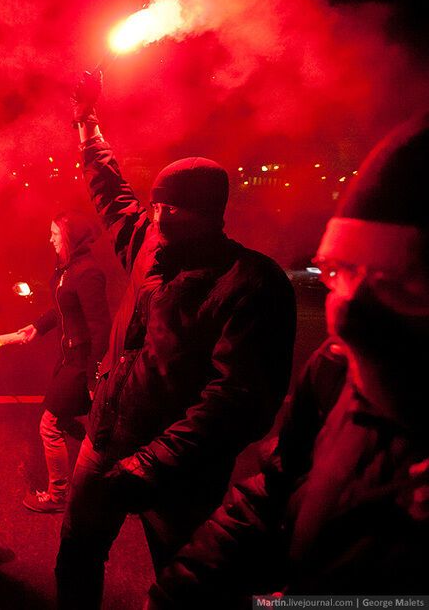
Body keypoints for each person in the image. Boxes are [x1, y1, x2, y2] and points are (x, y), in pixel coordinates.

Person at [149, 115, 429, 607]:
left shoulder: (249, 284)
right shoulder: (336, 368)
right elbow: (277, 483)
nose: (349, 314)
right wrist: (182, 584)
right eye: (342, 272)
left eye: (397, 283)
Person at [54, 72, 297, 608]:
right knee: (77, 550)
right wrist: (85, 119)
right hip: (107, 438)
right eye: (158, 204)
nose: (159, 216)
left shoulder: (250, 283)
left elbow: (236, 402)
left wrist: (150, 465)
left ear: (210, 214)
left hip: (181, 471)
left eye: (175, 208)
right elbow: (110, 188)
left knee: (184, 578)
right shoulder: (146, 244)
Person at [0, 211, 110, 513]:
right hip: (68, 356)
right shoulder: (67, 269)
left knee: (49, 423)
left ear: (70, 238)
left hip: (81, 360)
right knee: (61, 417)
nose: (50, 239)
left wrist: (93, 376)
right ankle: (100, 459)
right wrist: (37, 326)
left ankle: (58, 495)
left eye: (55, 234)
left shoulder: (88, 273)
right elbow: (62, 308)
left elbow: (100, 327)